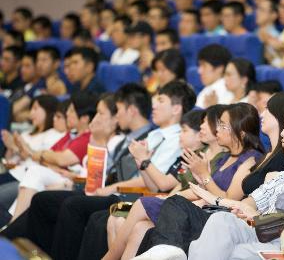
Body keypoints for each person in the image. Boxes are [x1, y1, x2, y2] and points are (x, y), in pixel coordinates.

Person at [0, 82, 196, 260]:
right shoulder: (154, 134)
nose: (154, 104)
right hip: (117, 187)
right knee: (43, 199)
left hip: (131, 195)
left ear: (176, 109)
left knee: (74, 206)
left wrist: (115, 183)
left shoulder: (176, 140)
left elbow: (153, 183)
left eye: (160, 100)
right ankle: (27, 251)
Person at [133, 100, 284, 259]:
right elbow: (249, 201)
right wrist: (211, 195)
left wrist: (209, 188)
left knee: (198, 214)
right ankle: (166, 248)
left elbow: (281, 206)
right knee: (156, 223)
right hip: (243, 217)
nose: (283, 132)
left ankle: (167, 248)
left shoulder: (253, 158)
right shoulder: (283, 168)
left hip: (262, 227)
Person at [106, 102, 264, 259]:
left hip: (213, 216)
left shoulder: (249, 160)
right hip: (200, 206)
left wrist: (205, 176)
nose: (218, 130)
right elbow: (206, 190)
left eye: (223, 127)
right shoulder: (226, 157)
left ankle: (108, 258)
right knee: (141, 228)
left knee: (142, 203)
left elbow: (228, 199)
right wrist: (201, 181)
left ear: (241, 133)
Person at [10, 92, 97, 220]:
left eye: (72, 111)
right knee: (34, 177)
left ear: (84, 117)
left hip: (70, 182)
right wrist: (49, 160)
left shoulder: (86, 138)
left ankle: (14, 223)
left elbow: (61, 159)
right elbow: (46, 157)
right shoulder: (71, 135)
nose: (68, 114)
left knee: (35, 174)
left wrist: (45, 156)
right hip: (56, 175)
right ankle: (14, 224)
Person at [195, 44, 234, 108]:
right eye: (199, 65)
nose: (199, 71)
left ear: (219, 68)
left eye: (204, 66)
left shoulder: (228, 90)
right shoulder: (206, 89)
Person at [12, 51, 42, 122]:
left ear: (37, 67)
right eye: (22, 66)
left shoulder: (40, 87)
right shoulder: (21, 87)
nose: (22, 70)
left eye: (27, 66)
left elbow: (12, 111)